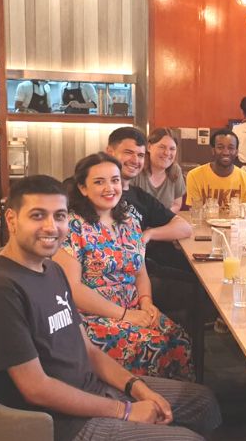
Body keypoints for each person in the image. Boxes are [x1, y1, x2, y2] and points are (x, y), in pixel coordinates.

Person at [0, 175, 221, 441]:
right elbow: (36, 388)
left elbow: (87, 349)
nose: (51, 227)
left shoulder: (51, 269)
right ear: (12, 220)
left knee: (202, 401)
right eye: (38, 216)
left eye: (59, 216)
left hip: (94, 389)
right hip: (58, 422)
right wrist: (125, 410)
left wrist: (137, 387)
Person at [53, 153, 194, 381]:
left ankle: (178, 405)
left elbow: (140, 272)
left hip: (133, 307)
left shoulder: (129, 220)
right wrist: (126, 315)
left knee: (179, 338)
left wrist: (146, 302)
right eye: (99, 182)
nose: (110, 188)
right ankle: (138, 404)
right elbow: (72, 289)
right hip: (92, 316)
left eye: (115, 180)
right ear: (83, 188)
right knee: (154, 344)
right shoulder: (72, 226)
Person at [103, 126, 198, 332]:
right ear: (110, 153)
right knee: (198, 291)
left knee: (199, 279)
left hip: (142, 268)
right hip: (117, 279)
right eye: (128, 153)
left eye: (139, 155)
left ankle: (181, 338)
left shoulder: (138, 196)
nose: (135, 160)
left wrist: (148, 235)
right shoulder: (99, 194)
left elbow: (183, 226)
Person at [185, 128, 246, 209]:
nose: (226, 152)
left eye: (231, 148)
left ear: (236, 152)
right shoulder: (194, 176)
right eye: (220, 147)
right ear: (213, 150)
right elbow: (195, 213)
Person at [139, 128, 186, 214]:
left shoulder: (176, 170)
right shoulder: (137, 169)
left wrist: (161, 218)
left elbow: (177, 204)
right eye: (162, 147)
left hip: (165, 222)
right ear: (149, 147)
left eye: (172, 149)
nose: (167, 153)